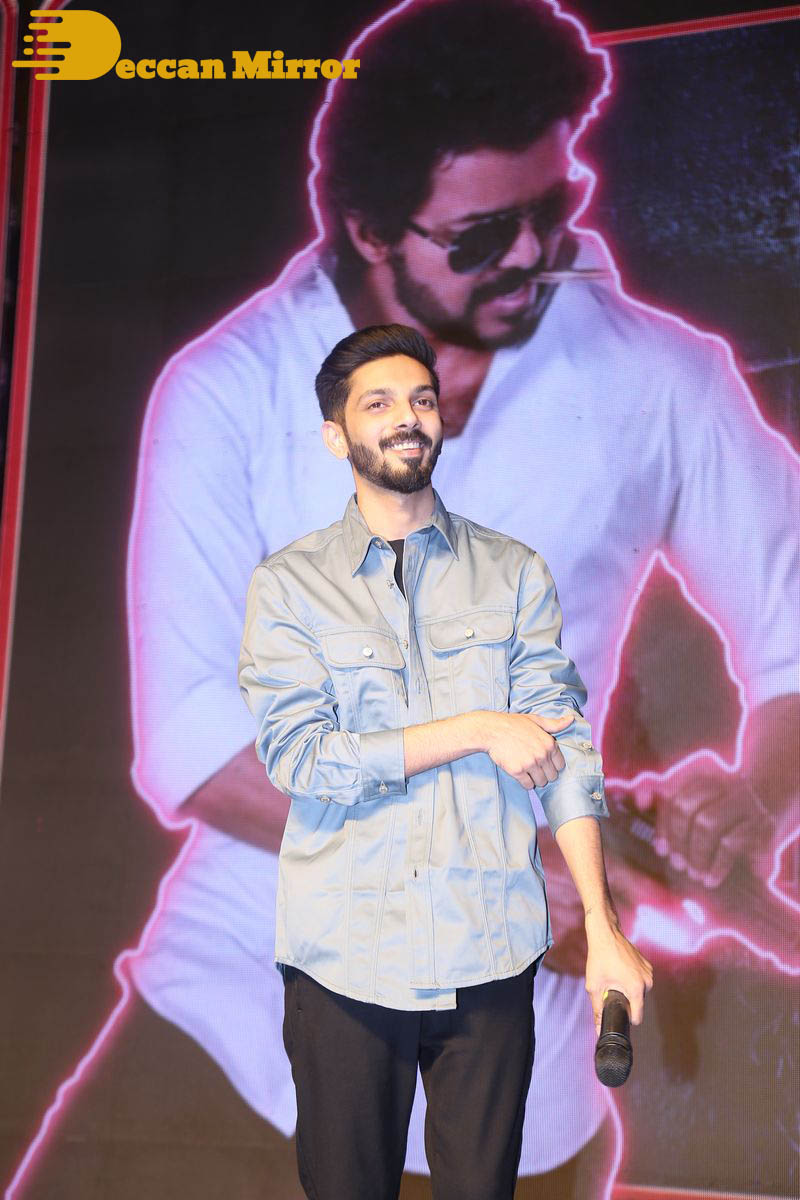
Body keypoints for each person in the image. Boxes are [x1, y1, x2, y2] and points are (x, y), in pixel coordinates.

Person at [16, 1, 798, 1197]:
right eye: (479, 236)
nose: (530, 256)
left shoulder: (654, 380)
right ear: (369, 227)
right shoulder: (227, 392)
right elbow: (194, 743)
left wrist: (752, 797)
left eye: (551, 208)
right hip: (239, 1022)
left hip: (512, 1098)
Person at [236, 322, 653, 1200]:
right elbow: (301, 758)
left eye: (421, 400)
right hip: (345, 961)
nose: (408, 418)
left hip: (489, 951)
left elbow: (565, 755)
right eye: (379, 403)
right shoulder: (289, 586)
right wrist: (474, 728)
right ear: (336, 436)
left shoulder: (513, 572)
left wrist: (604, 927)